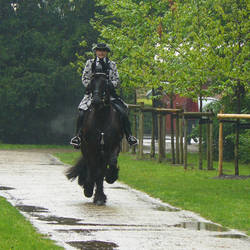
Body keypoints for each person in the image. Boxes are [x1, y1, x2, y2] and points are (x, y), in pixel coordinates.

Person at [70, 43, 137, 148]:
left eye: (103, 51)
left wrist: (111, 85)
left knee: (123, 112)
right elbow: (84, 78)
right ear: (96, 52)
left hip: (109, 95)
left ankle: (129, 136)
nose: (101, 52)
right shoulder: (90, 63)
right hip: (92, 94)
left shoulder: (112, 64)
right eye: (99, 50)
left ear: (106, 52)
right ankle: (78, 136)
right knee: (82, 112)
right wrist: (92, 87)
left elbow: (117, 80)